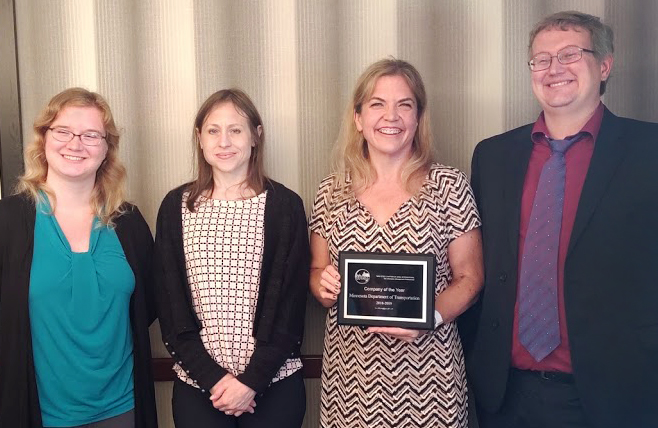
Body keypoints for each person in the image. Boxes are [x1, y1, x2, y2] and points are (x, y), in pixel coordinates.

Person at [466, 11, 658, 428]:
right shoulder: (493, 156)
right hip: (504, 393)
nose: (554, 69)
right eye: (541, 59)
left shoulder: (650, 151)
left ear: (604, 65)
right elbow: (476, 264)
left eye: (570, 54)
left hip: (615, 394)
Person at [309, 59, 484, 428]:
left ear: (418, 117)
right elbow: (316, 271)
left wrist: (429, 318)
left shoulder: (448, 185)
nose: (392, 116)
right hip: (351, 379)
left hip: (429, 377)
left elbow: (469, 278)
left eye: (405, 104)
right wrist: (324, 287)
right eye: (377, 104)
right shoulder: (331, 190)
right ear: (358, 118)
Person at [0, 88, 158, 428]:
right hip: (39, 411)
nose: (75, 144)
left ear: (106, 149)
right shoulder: (8, 222)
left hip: (122, 407)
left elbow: (150, 304)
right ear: (43, 139)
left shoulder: (129, 222)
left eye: (90, 135)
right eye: (63, 132)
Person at [154, 89, 309, 428]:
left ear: (256, 135)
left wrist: (250, 382)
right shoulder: (175, 207)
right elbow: (170, 306)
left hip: (274, 383)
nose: (224, 141)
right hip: (200, 387)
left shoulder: (285, 207)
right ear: (199, 138)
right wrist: (217, 380)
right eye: (213, 130)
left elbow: (291, 306)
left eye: (235, 130)